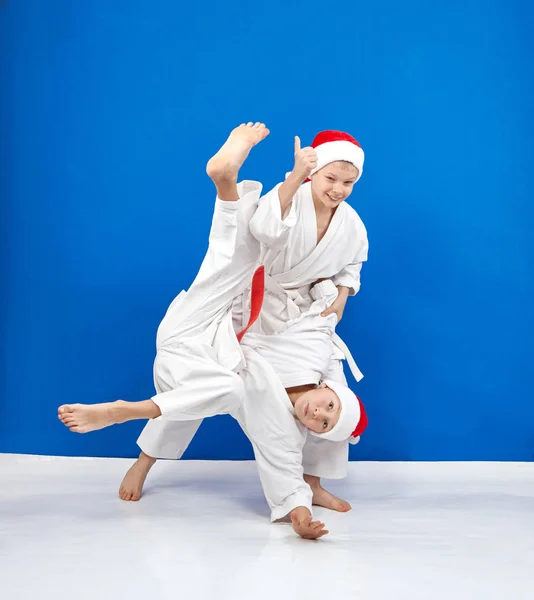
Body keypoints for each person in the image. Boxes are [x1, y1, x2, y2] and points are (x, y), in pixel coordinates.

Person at [58, 123, 367, 540]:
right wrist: (294, 179)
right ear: (315, 172)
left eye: (349, 182)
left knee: (330, 392)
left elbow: (351, 264)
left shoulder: (351, 223)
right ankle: (226, 184)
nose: (340, 189)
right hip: (255, 307)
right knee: (231, 292)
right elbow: (264, 231)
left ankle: (308, 486)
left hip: (307, 318)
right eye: (331, 178)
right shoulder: (291, 197)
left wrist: (343, 294)